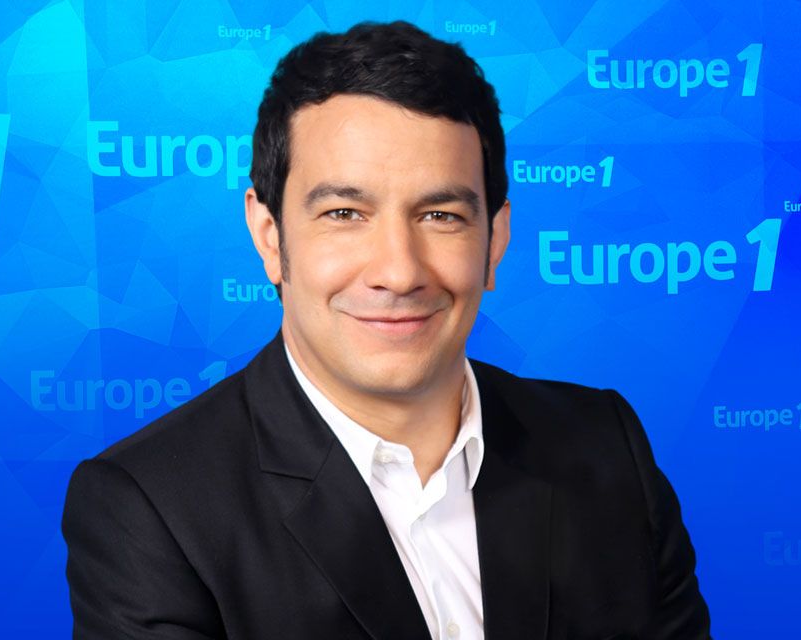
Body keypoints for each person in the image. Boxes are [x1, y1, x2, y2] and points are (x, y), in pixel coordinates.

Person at [62, 20, 711, 640]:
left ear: (495, 240)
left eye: (441, 215)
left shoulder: (606, 445)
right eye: (345, 213)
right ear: (270, 237)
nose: (399, 272)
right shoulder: (147, 511)